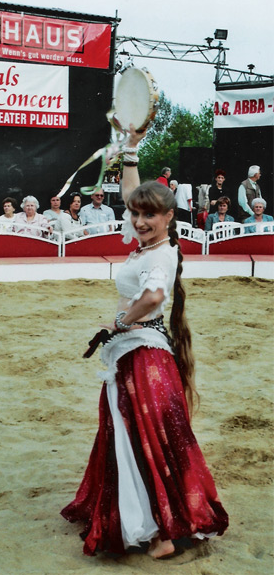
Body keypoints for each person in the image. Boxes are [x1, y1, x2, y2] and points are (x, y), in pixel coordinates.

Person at [61, 124, 229, 559]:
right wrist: (131, 151)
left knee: (150, 439)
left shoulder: (161, 252)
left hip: (144, 354)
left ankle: (170, 530)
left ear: (169, 217)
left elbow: (154, 295)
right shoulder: (143, 243)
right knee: (135, 436)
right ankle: (147, 519)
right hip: (139, 353)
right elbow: (134, 194)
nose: (138, 221)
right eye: (136, 215)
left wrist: (121, 321)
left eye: (149, 216)